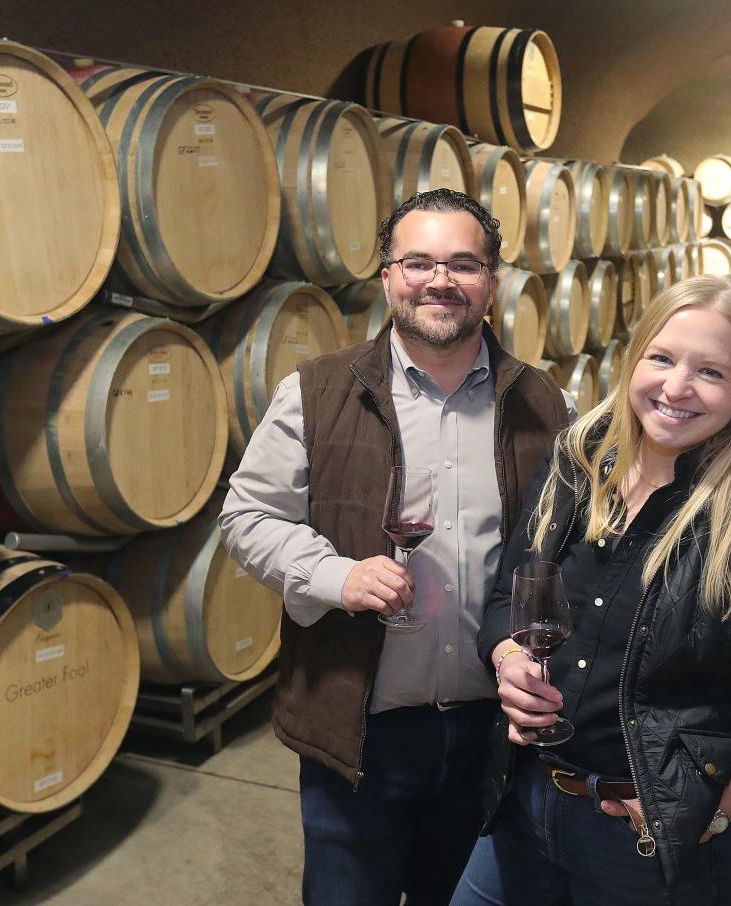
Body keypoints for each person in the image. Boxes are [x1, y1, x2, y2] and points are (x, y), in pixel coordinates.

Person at [220, 188, 574, 905]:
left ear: (492, 283)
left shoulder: (545, 404)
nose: (439, 280)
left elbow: (572, 554)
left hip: (491, 734)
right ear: (386, 276)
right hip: (358, 729)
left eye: (463, 264)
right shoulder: (316, 392)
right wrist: (333, 575)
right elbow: (248, 516)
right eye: (418, 262)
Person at [451, 275, 731, 906]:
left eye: (711, 372)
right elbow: (509, 597)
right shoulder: (579, 458)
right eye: (662, 358)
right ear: (633, 356)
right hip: (526, 797)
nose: (675, 388)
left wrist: (714, 808)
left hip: (652, 843)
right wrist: (507, 660)